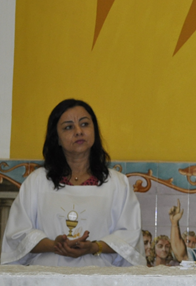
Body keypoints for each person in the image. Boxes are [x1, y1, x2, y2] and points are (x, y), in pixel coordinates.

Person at [1, 99, 146, 266]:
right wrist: (55, 245)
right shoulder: (37, 182)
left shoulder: (118, 184)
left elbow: (130, 236)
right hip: (47, 275)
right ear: (56, 138)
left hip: (99, 277)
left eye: (84, 124)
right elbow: (17, 235)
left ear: (94, 130)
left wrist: (94, 247)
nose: (78, 131)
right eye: (68, 127)